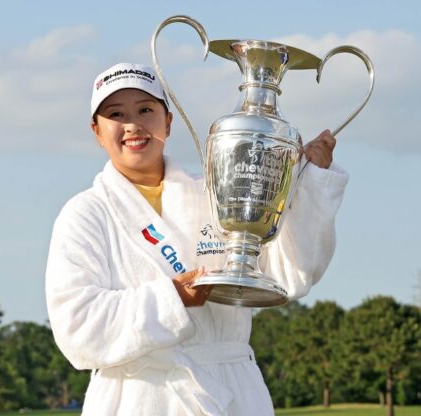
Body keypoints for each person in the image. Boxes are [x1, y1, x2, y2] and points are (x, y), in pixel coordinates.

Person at [45, 62, 348, 415]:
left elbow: (289, 276)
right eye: (116, 114)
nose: (133, 125)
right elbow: (77, 327)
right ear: (97, 131)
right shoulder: (85, 214)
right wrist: (172, 298)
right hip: (136, 398)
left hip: (230, 390)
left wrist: (312, 185)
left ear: (168, 121)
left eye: (145, 110)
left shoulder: (219, 194)